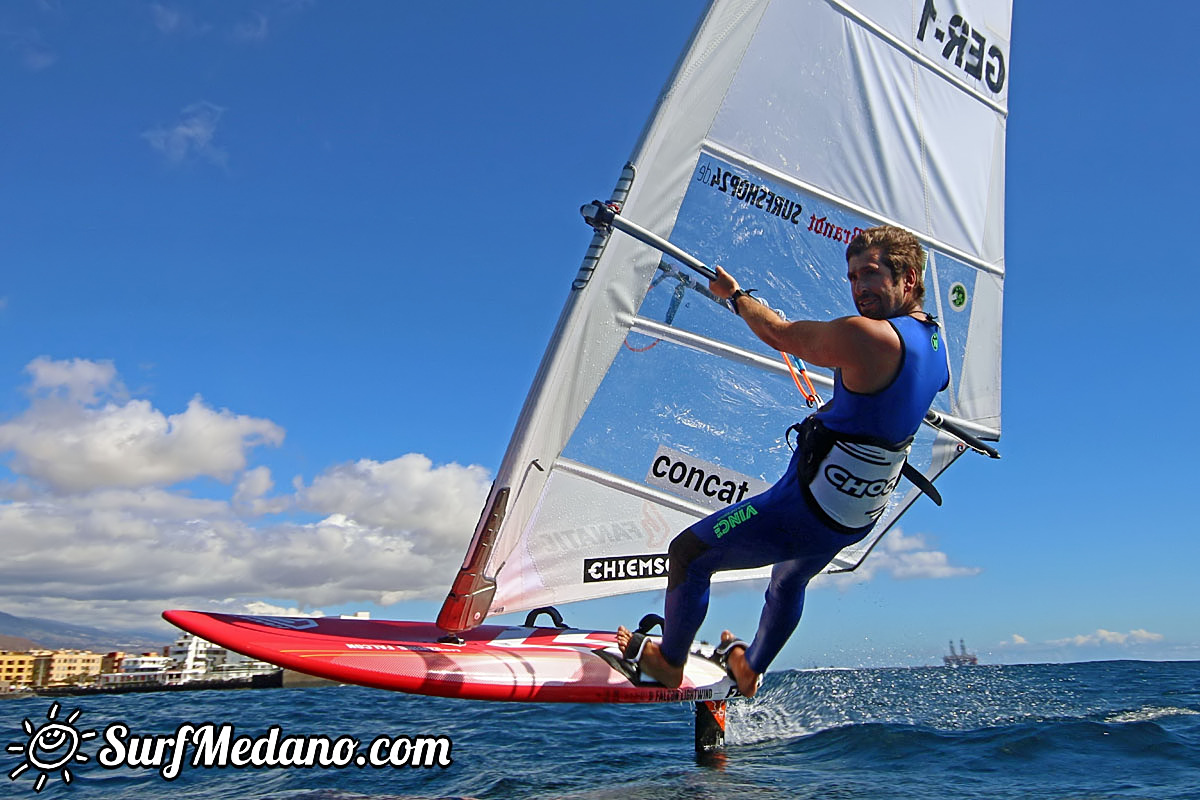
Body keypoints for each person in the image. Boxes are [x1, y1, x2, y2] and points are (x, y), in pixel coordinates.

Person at [617, 225, 950, 697]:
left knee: (689, 555)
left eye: (870, 275)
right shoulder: (937, 347)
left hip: (806, 507)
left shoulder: (868, 338)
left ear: (909, 278)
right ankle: (751, 667)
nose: (858, 289)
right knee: (789, 579)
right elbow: (920, 388)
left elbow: (780, 333)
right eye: (852, 277)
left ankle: (668, 663)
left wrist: (734, 296)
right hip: (855, 516)